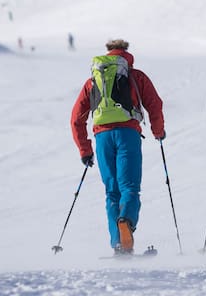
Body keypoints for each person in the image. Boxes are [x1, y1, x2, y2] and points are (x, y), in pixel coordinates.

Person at [70, 39, 165, 254]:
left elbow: (76, 118)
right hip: (127, 134)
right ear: (126, 55)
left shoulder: (93, 81)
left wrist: (85, 150)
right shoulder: (135, 76)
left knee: (112, 192)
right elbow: (154, 105)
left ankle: (118, 243)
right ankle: (127, 222)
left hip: (102, 138)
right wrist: (158, 132)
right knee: (129, 187)